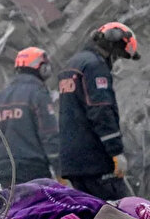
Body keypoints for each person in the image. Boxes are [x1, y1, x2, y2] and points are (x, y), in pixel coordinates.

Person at [58, 22, 140, 200]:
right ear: (112, 44)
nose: (116, 60)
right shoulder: (95, 66)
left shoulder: (72, 64)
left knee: (91, 217)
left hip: (73, 163)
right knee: (120, 215)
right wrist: (116, 152)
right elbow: (100, 111)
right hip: (96, 161)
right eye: (118, 55)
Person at [0, 47, 59, 186]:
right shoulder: (38, 95)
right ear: (42, 69)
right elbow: (49, 135)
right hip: (33, 171)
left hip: (3, 172)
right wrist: (60, 170)